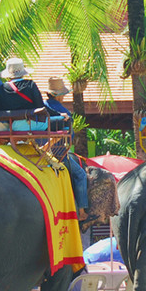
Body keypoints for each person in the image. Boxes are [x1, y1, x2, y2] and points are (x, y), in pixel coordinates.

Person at [43, 77, 90, 221]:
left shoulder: (40, 107)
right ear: (58, 95)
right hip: (57, 153)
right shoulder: (63, 112)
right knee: (80, 175)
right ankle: (82, 211)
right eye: (62, 94)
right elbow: (70, 136)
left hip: (36, 148)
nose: (64, 96)